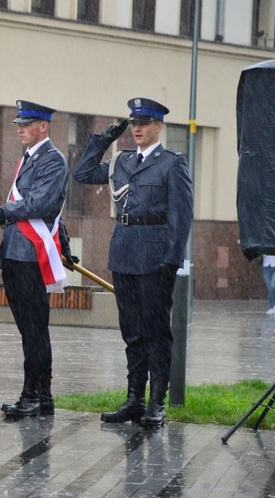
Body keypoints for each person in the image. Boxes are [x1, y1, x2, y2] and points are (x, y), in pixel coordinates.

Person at [73, 98, 193, 428]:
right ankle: (134, 399)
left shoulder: (172, 164)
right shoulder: (121, 161)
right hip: (124, 253)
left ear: (159, 127)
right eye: (133, 123)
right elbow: (82, 173)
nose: (137, 128)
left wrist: (171, 260)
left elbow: (181, 216)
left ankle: (157, 402)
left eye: (144, 123)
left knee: (156, 331)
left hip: (156, 258)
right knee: (132, 332)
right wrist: (104, 140)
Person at [0, 100, 69, 419]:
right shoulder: (29, 158)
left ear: (43, 127)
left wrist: (1, 212)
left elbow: (39, 203)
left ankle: (33, 394)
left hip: (30, 256)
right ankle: (42, 395)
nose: (19, 129)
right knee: (29, 329)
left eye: (25, 124)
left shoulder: (53, 160)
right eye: (18, 125)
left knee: (35, 328)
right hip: (15, 253)